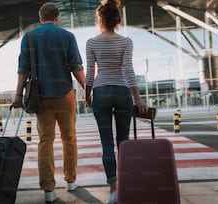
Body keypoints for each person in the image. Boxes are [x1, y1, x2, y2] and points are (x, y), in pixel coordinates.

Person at [13, 2, 85, 202]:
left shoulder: (29, 37)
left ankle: (49, 190)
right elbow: (76, 67)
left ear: (40, 18)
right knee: (69, 139)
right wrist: (88, 91)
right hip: (65, 96)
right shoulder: (67, 36)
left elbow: (23, 69)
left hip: (40, 97)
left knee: (46, 141)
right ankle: (71, 181)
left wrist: (18, 95)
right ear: (57, 17)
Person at [85, 0, 148, 203]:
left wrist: (87, 96)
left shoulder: (92, 42)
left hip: (101, 93)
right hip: (122, 93)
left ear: (99, 19)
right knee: (124, 143)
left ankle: (113, 191)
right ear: (117, 19)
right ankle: (127, 185)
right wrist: (137, 98)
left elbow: (89, 74)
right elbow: (128, 70)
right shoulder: (126, 41)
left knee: (106, 143)